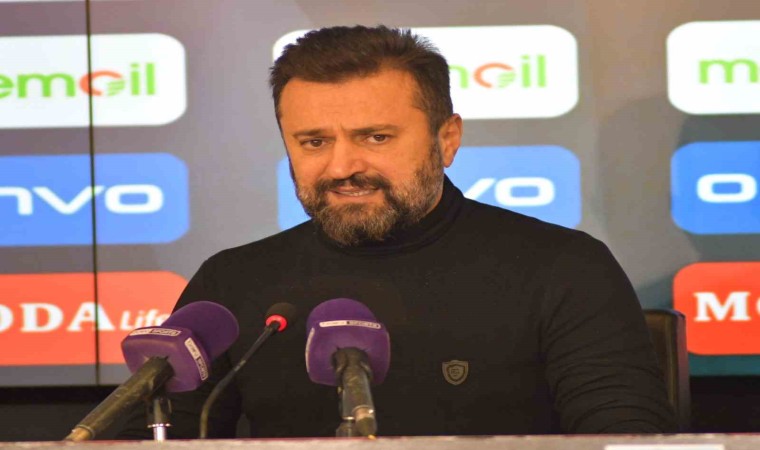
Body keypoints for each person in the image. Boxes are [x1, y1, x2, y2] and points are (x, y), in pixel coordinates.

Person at [119, 25, 675, 438]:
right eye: (314, 142)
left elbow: (627, 441)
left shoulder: (564, 268)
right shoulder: (233, 281)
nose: (342, 166)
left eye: (376, 137)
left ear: (447, 139)